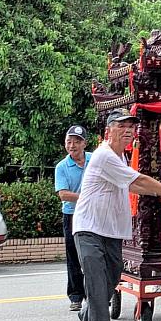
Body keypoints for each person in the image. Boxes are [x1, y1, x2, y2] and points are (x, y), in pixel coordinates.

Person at [73, 109, 161, 321]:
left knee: (111, 280)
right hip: (88, 228)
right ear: (108, 132)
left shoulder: (122, 159)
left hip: (112, 231)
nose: (128, 130)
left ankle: (88, 313)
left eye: (131, 126)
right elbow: (140, 182)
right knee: (96, 281)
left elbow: (139, 187)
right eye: (121, 126)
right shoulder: (103, 156)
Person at [54, 125, 92, 311]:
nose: (72, 145)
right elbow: (63, 194)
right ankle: (76, 296)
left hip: (94, 214)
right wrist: (88, 199)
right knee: (74, 256)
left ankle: (96, 295)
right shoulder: (62, 167)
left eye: (77, 141)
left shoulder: (94, 160)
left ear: (84, 143)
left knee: (93, 256)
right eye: (69, 142)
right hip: (72, 215)